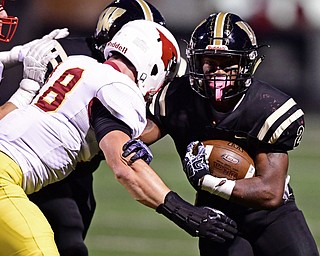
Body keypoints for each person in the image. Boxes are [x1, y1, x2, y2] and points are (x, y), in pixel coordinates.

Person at [0, 19, 237, 256]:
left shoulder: (77, 64)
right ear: (153, 66)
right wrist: (186, 213)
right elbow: (124, 167)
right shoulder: (118, 87)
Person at [124, 12, 319, 256]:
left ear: (246, 65)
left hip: (269, 215)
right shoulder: (178, 97)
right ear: (196, 61)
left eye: (227, 64)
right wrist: (131, 139)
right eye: (210, 63)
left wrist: (206, 180)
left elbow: (270, 193)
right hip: (217, 214)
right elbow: (141, 134)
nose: (218, 72)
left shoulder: (268, 108)